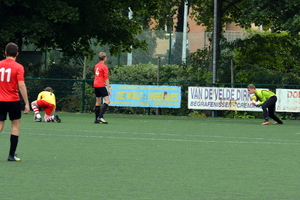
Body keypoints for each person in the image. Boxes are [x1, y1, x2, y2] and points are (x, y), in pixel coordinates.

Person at [0, 42, 30, 161]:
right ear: (17, 54)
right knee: (15, 126)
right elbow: (21, 85)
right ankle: (11, 155)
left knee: (0, 124)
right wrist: (27, 103)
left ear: (5, 53)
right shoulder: (18, 67)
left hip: (0, 100)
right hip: (13, 100)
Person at [93, 52, 112, 124]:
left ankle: (96, 119)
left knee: (98, 102)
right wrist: (108, 88)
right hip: (101, 85)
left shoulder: (96, 65)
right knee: (107, 101)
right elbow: (106, 78)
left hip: (95, 84)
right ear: (104, 58)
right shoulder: (104, 66)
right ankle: (100, 117)